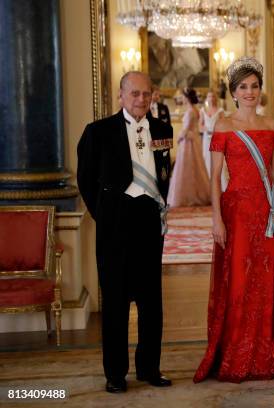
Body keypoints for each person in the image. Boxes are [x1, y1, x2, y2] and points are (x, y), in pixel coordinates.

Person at [193, 56, 274, 383]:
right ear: (233, 92)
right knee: (239, 281)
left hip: (265, 214)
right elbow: (214, 178)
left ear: (260, 90)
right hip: (236, 212)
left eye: (254, 86)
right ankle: (237, 354)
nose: (249, 92)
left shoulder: (270, 125)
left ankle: (265, 357)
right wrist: (216, 220)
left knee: (267, 280)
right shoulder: (223, 125)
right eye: (243, 87)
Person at [77, 71, 173, 393]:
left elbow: (163, 175)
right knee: (116, 303)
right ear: (121, 95)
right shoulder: (98, 132)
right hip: (114, 225)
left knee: (151, 303)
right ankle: (115, 374)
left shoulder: (162, 129)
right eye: (134, 94)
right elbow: (86, 179)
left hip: (148, 224)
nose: (141, 100)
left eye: (146, 94)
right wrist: (104, 215)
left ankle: (149, 368)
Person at [167, 88, 211, 207]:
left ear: (187, 98)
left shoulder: (190, 111)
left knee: (187, 167)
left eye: (183, 97)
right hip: (194, 140)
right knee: (196, 166)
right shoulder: (196, 110)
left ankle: (187, 196)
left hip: (188, 142)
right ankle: (198, 193)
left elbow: (186, 128)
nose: (182, 99)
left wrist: (179, 137)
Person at [199, 90, 225, 178]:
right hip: (206, 138)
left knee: (217, 158)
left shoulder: (220, 110)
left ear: (216, 98)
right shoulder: (203, 110)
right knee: (206, 157)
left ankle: (218, 180)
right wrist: (205, 129)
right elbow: (200, 125)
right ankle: (207, 180)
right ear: (206, 98)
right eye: (209, 96)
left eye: (213, 96)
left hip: (217, 137)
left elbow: (223, 124)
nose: (211, 98)